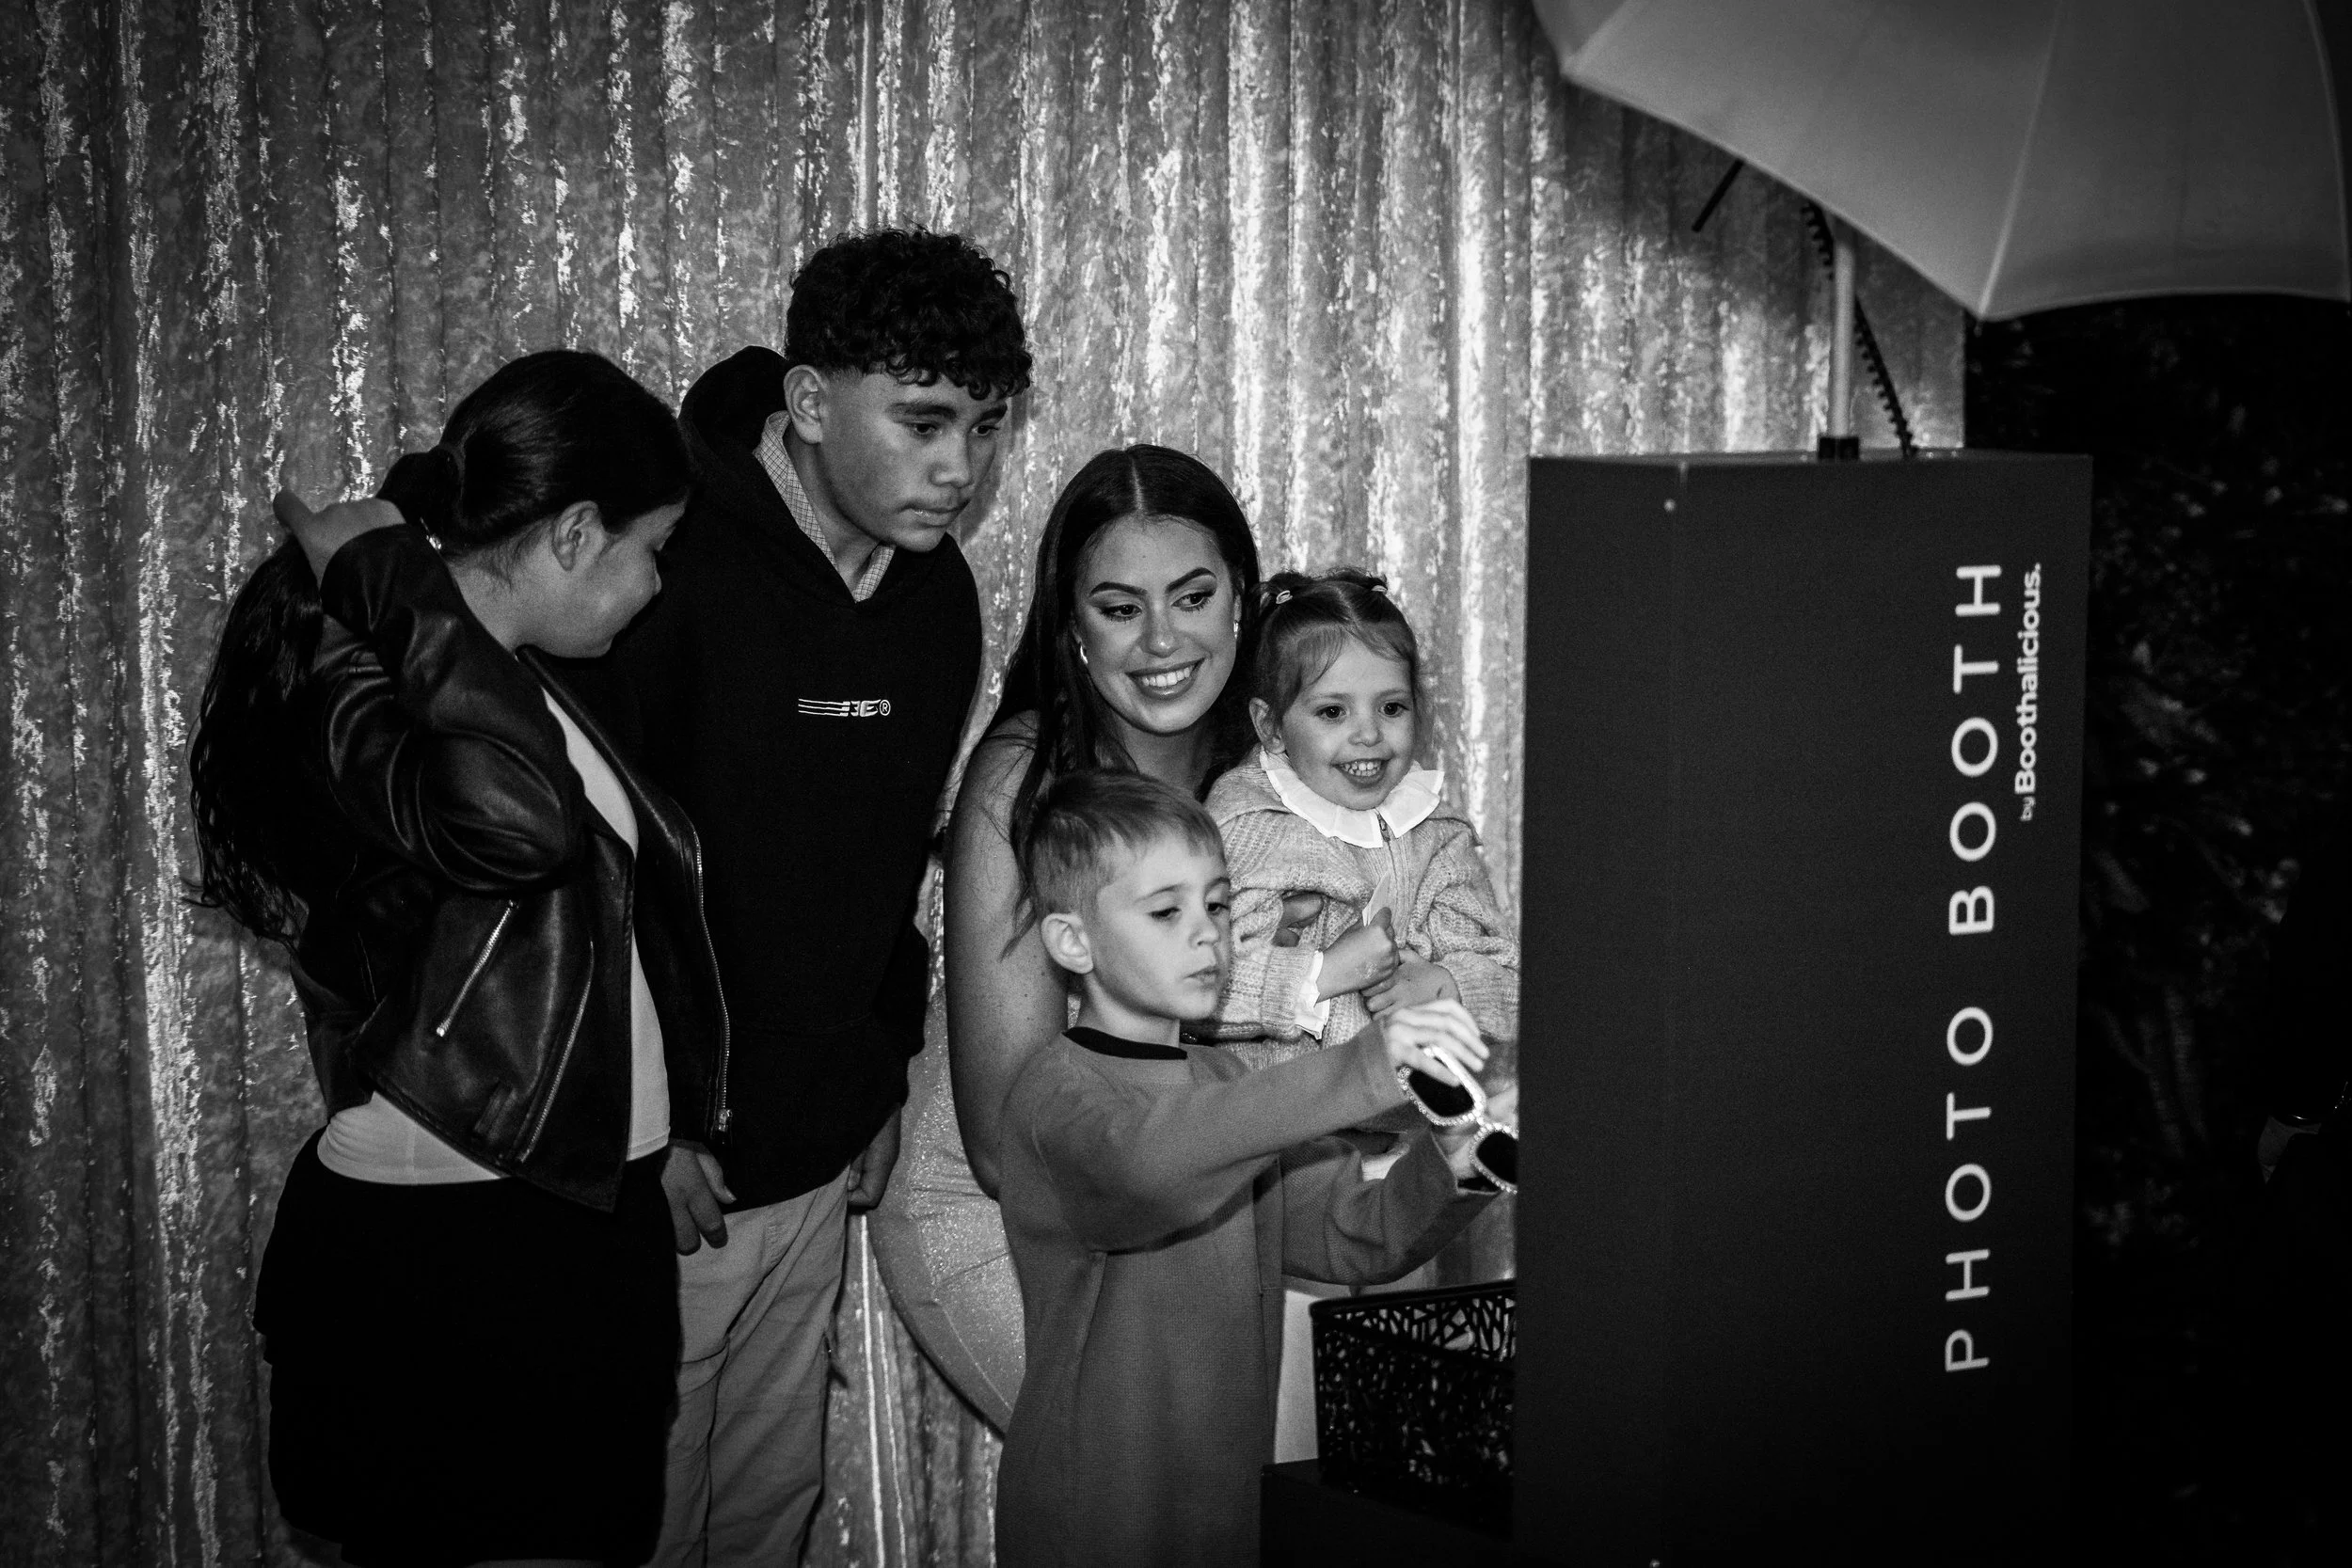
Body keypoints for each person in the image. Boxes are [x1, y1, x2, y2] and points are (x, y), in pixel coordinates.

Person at [189, 349, 722, 1567]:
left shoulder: (505, 681)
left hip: (571, 1221)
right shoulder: (365, 663)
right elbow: (515, 829)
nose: (656, 584)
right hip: (460, 1248)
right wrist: (389, 576)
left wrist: (668, 1119)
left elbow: (607, 931)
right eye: (652, 546)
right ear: (578, 530)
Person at [586, 228, 1031, 1563]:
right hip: (658, 1171)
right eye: (926, 420)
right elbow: (589, 869)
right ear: (810, 402)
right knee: (632, 1518)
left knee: (768, 1514)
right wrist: (639, 1123)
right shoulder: (661, 566)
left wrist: (877, 1074)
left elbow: (894, 864)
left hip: (813, 1159)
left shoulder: (940, 598)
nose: (961, 465)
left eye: (987, 425)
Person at [993, 768, 1510, 1566]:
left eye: (1220, 903)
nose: (1208, 933)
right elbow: (1149, 1167)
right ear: (1073, 941)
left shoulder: (1229, 1087)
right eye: (1167, 910)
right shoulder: (1057, 1095)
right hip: (1093, 1513)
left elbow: (1353, 1237)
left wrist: (1457, 1167)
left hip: (1229, 1508)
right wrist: (1365, 1065)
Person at [870, 443, 1264, 1428]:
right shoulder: (1026, 777)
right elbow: (1008, 1143)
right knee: (1136, 1478)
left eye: (1192, 594)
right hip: (1001, 1205)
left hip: (1188, 1186)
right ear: (1072, 627)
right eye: (1119, 607)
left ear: (1241, 600)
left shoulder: (1273, 767)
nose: (1162, 639)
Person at [1202, 567, 1519, 1056]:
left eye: (1391, 708)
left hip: (1415, 1116)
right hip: (1283, 1115)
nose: (1369, 734)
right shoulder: (1248, 825)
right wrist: (1319, 975)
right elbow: (1195, 988)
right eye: (1333, 712)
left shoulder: (1437, 834)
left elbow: (1508, 979)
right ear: (1271, 727)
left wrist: (1448, 984)